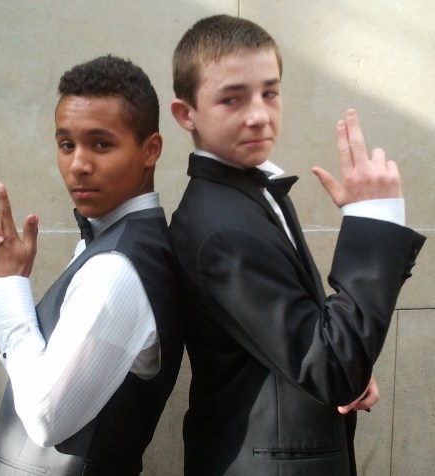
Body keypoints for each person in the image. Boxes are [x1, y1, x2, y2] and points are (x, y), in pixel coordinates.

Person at [169, 14, 425, 476]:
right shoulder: (224, 230)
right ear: (186, 114)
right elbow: (330, 367)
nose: (259, 115)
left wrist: (352, 361)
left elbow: (301, 335)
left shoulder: (244, 192)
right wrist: (375, 220)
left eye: (270, 92)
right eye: (231, 98)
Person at [0, 54, 183, 475]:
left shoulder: (116, 269)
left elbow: (45, 417)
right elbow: (40, 362)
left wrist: (8, 285)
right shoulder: (108, 244)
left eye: (101, 144)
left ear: (150, 149)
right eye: (67, 145)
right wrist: (7, 283)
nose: (78, 165)